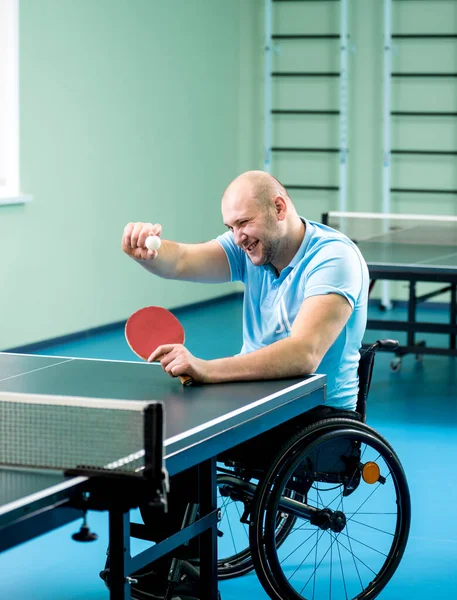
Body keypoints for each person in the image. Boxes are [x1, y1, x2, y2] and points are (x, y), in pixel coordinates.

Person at [119, 170, 369, 600]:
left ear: (278, 207)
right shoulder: (249, 250)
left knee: (185, 442)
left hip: (314, 413)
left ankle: (187, 573)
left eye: (244, 224)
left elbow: (304, 355)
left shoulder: (334, 259)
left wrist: (210, 369)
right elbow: (179, 260)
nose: (237, 237)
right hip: (257, 396)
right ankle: (172, 562)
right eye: (230, 227)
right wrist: (146, 254)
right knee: (162, 429)